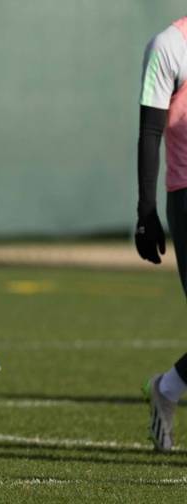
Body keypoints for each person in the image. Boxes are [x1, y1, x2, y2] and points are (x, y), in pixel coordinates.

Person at [136, 16, 187, 452]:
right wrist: (146, 209)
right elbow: (151, 129)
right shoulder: (168, 45)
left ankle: (168, 389)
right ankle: (167, 390)